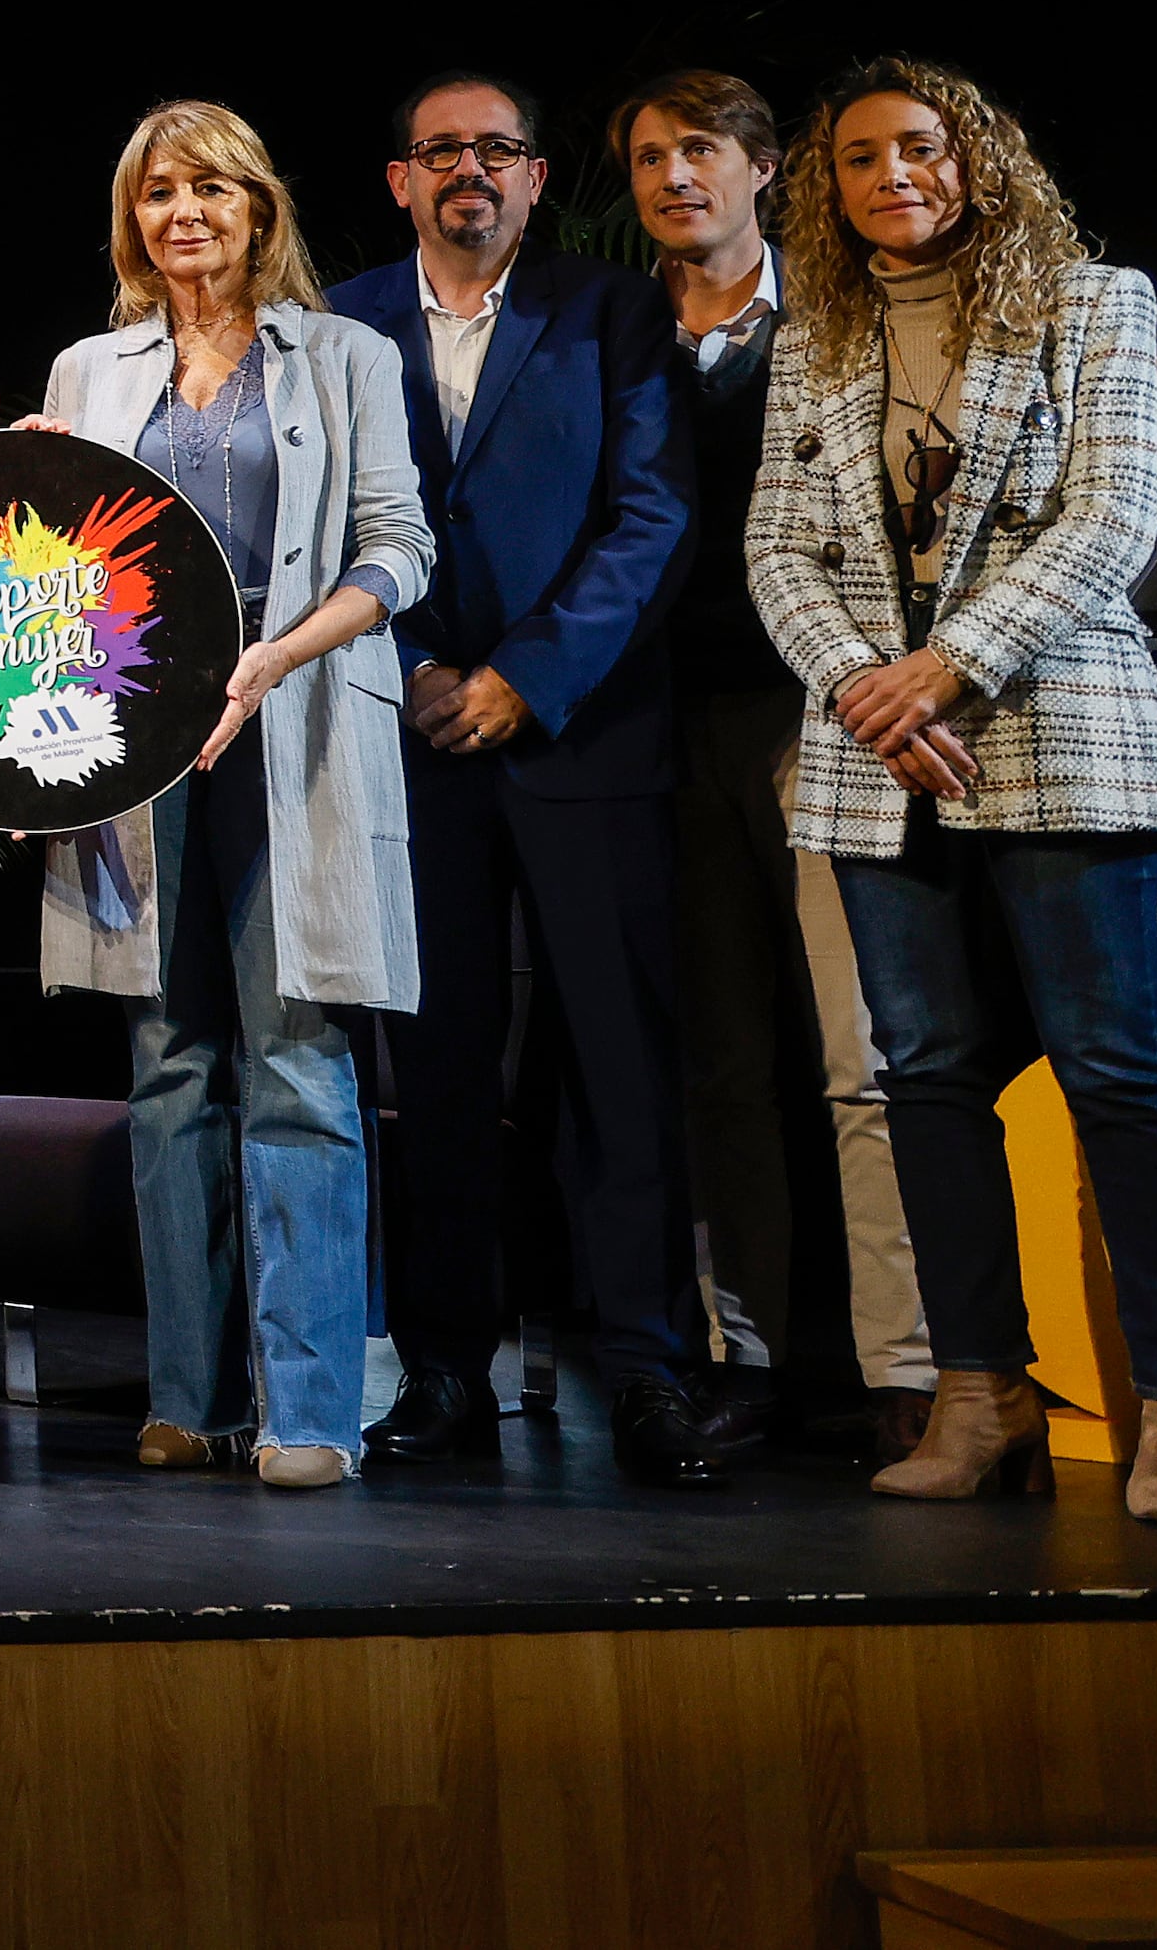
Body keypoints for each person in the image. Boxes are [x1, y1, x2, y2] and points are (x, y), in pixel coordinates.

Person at [747, 57, 1157, 1523]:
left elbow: (1112, 517)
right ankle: (979, 1389)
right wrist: (862, 686)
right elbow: (775, 546)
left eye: (921, 148)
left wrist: (943, 664)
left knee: (1114, 1070)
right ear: (827, 190)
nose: (894, 176)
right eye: (861, 159)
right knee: (924, 1076)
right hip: (878, 755)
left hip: (1055, 722)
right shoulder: (817, 330)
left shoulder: (1094, 299)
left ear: (978, 157)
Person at [329, 71, 719, 1487]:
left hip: (584, 739)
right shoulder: (341, 322)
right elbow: (326, 521)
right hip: (408, 740)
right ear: (400, 179)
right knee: (434, 1077)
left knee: (617, 1067)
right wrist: (423, 666)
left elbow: (653, 515)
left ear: (539, 178)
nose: (469, 173)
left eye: (496, 151)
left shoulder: (612, 313)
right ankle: (443, 1370)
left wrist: (525, 676)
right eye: (442, 151)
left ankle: (649, 1373)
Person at [35, 101, 428, 1491]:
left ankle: (313, 1404)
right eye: (156, 194)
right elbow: (52, 566)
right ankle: (187, 1394)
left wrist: (273, 656)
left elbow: (399, 552)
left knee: (298, 1057)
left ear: (261, 207)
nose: (183, 213)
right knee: (169, 1064)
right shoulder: (91, 369)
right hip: (143, 741)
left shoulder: (347, 357)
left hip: (297, 716)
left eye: (211, 188)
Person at [622, 66, 931, 1464]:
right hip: (660, 733)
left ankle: (908, 1369)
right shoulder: (613, 330)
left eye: (701, 151)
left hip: (830, 718)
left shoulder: (844, 316)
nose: (676, 177)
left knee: (860, 1054)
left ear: (760, 170)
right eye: (648, 158)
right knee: (724, 1064)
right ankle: (746, 1355)